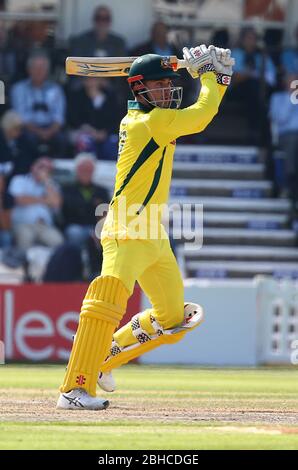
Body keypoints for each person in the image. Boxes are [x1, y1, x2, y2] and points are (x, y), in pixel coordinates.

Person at [57, 46, 234, 410]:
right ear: (139, 89)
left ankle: (102, 358)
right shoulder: (148, 123)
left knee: (174, 318)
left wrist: (211, 77)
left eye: (170, 84)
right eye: (159, 85)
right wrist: (213, 78)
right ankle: (74, 389)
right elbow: (201, 115)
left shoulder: (153, 120)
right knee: (104, 306)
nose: (168, 91)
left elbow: (197, 114)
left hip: (154, 234)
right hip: (125, 231)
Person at [10, 52, 66, 157]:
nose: (39, 71)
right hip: (28, 129)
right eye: (35, 68)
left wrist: (49, 131)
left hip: (51, 129)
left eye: (43, 68)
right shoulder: (19, 89)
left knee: (61, 139)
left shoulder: (56, 89)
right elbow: (21, 117)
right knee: (26, 139)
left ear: (47, 71)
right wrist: (39, 132)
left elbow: (59, 117)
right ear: (29, 69)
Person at [8, 157, 63, 251]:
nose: (44, 170)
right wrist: (44, 200)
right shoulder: (19, 180)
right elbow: (19, 200)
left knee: (59, 243)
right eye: (41, 166)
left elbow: (56, 203)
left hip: (45, 226)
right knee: (25, 239)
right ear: (33, 167)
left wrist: (46, 181)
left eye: (48, 168)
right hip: (23, 225)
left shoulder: (52, 185)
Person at [68, 78, 120, 160]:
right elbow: (75, 119)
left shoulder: (109, 95)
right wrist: (91, 131)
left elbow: (114, 120)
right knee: (85, 142)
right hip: (84, 131)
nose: (91, 82)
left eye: (94, 79)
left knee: (112, 143)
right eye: (88, 79)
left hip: (105, 133)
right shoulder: (77, 95)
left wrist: (104, 132)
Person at [269, 74, 298, 216]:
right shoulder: (278, 98)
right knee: (293, 142)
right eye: (291, 81)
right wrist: (290, 99)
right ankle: (289, 181)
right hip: (286, 135)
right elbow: (280, 119)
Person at [0, 110, 38, 180]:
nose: (19, 131)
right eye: (16, 129)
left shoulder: (24, 140)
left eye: (20, 128)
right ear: (7, 128)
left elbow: (29, 160)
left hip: (19, 177)